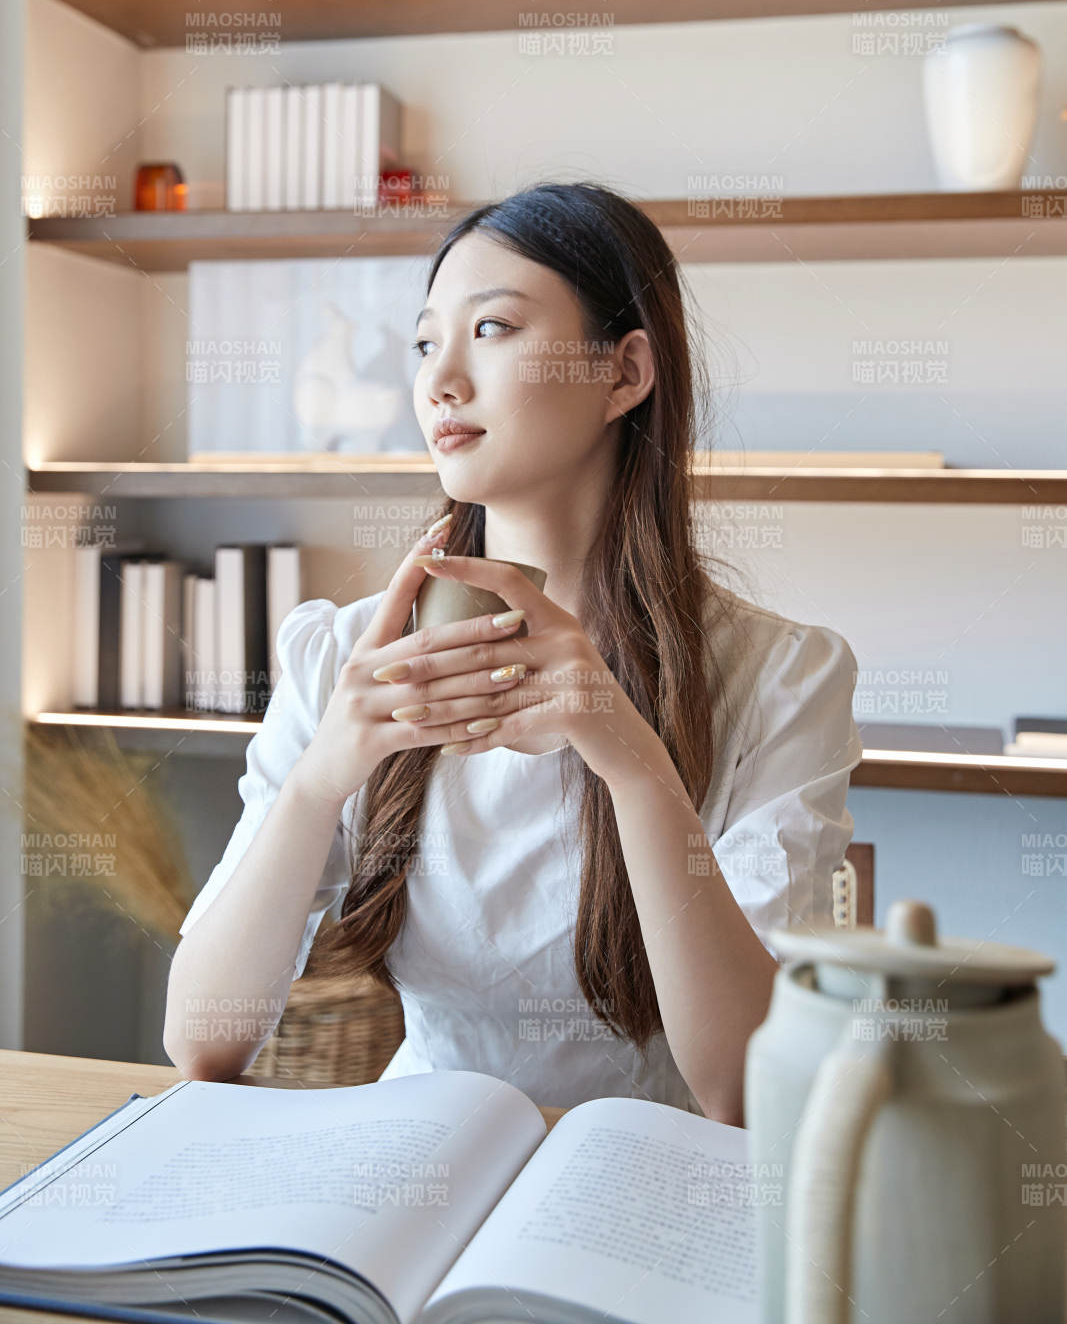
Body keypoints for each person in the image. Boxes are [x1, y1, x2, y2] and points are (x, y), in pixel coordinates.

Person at [164, 181, 862, 1125]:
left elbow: (742, 1090)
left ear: (623, 374)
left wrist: (634, 765)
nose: (439, 380)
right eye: (423, 343)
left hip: (640, 1191)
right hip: (416, 1176)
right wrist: (320, 777)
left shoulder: (780, 680)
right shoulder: (344, 654)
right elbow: (203, 1038)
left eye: (492, 329)